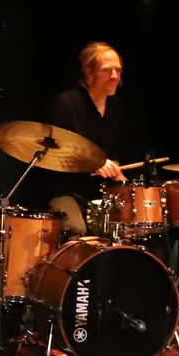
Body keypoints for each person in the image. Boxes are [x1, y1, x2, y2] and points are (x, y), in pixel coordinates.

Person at [45, 41, 128, 236]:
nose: (114, 76)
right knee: (76, 228)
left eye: (118, 70)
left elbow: (114, 153)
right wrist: (93, 164)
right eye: (107, 70)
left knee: (129, 227)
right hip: (65, 190)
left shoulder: (116, 108)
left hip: (99, 192)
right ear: (89, 73)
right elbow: (52, 155)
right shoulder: (67, 104)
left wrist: (115, 169)